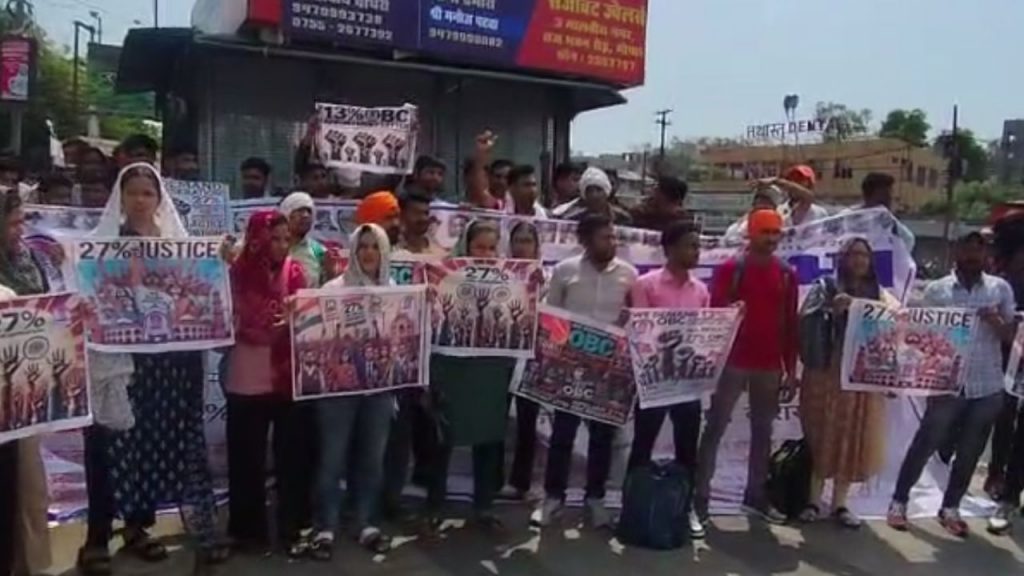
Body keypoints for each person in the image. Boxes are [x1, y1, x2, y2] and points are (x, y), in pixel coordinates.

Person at [77, 163, 230, 575]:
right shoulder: (102, 247)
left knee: (150, 445)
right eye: (133, 192)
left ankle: (137, 527)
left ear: (159, 199)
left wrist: (223, 259)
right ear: (121, 198)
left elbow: (204, 288)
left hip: (169, 366)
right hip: (121, 364)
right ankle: (96, 538)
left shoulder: (178, 247)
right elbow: (85, 294)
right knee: (108, 446)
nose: (140, 200)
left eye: (148, 193)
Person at [887, 231, 1016, 538]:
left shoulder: (999, 289)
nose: (972, 256)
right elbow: (921, 337)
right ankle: (899, 501)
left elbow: (1012, 337)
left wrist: (996, 322)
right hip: (946, 384)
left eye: (978, 251)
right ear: (956, 252)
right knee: (925, 444)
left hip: (986, 386)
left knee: (970, 452)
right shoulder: (937, 290)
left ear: (986, 254)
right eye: (967, 250)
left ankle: (950, 508)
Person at [694, 209, 798, 526]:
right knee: (715, 428)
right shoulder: (731, 268)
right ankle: (700, 498)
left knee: (763, 432)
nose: (771, 239)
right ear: (750, 234)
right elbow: (715, 315)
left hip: (769, 366)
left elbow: (790, 326)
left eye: (775, 233)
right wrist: (731, 310)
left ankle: (755, 496)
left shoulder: (786, 273)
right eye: (765, 232)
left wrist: (790, 371)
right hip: (732, 363)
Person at [537, 214, 638, 528]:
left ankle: (595, 500)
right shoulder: (565, 271)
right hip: (569, 368)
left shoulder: (629, 274)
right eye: (604, 237)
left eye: (613, 237)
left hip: (608, 371)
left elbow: (636, 316)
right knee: (562, 435)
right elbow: (550, 315)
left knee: (602, 438)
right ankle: (553, 498)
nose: (612, 242)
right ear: (585, 241)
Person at [310, 223, 396, 559]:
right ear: (353, 251)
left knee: (372, 458)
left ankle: (364, 521)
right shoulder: (333, 289)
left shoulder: (394, 290)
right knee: (332, 457)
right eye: (363, 246)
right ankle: (326, 526)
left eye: (375, 246)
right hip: (338, 390)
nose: (369, 253)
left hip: (379, 389)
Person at [425, 219, 516, 529]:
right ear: (466, 246)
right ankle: (435, 504)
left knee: (487, 438)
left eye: (492, 248)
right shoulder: (445, 277)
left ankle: (484, 507)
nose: (486, 255)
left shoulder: (510, 281)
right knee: (443, 437)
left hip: (490, 369)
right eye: (480, 247)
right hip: (452, 366)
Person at [225, 210, 307, 554]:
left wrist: (294, 320)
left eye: (286, 239)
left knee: (292, 460)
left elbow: (308, 318)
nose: (282, 245)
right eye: (274, 238)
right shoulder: (235, 273)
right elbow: (222, 318)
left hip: (286, 378)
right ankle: (248, 533)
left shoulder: (296, 272)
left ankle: (291, 529)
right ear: (257, 238)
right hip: (246, 378)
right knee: (247, 460)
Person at [797, 237, 892, 529]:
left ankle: (840, 504)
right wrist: (830, 311)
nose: (859, 260)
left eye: (864, 255)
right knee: (822, 433)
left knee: (852, 435)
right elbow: (805, 319)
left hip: (859, 377)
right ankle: (812, 501)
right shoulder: (825, 287)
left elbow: (893, 327)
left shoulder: (879, 293)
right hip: (827, 371)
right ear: (843, 258)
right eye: (853, 254)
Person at [626, 220, 708, 539]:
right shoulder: (645, 285)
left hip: (687, 382)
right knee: (642, 445)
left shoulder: (701, 290)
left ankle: (684, 508)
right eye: (690, 245)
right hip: (654, 380)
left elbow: (704, 333)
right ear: (670, 249)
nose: (696, 252)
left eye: (698, 246)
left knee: (687, 449)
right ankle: (633, 507)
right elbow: (641, 330)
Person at [0, 193, 52, 576]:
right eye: (14, 223)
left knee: (27, 482)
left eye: (23, 221)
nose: (21, 231)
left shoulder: (29, 263)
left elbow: (49, 311)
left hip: (20, 390)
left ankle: (28, 563)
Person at [499, 221, 543, 500]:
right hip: (500, 356)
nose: (521, 246)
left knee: (528, 422)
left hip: (531, 360)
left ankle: (520, 482)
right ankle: (491, 478)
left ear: (536, 246)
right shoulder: (499, 274)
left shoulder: (546, 276)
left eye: (527, 241)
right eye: (517, 240)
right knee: (495, 420)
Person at [845, 172, 915, 251]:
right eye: (881, 202)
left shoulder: (898, 232)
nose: (884, 209)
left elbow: (907, 243)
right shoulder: (846, 220)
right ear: (866, 197)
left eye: (889, 201)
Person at [279, 192, 330, 288]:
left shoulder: (319, 251)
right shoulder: (273, 249)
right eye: (300, 211)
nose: (305, 215)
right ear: (286, 215)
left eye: (309, 212)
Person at [560, 167, 632, 225]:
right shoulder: (573, 219)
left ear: (606, 192)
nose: (594, 195)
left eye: (599, 190)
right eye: (590, 190)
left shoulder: (622, 218)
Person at [395, 191, 447, 256]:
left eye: (426, 213)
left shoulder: (440, 251)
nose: (423, 218)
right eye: (417, 213)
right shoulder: (392, 248)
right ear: (402, 215)